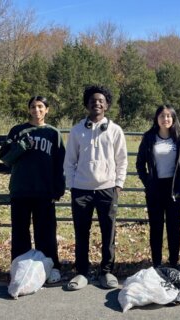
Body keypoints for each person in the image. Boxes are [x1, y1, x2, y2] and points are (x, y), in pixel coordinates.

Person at [64, 85, 128, 290]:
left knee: (108, 233)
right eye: (93, 100)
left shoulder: (115, 130)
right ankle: (82, 272)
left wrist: (118, 184)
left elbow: (122, 160)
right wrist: (72, 186)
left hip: (107, 189)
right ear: (87, 104)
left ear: (107, 105)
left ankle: (106, 272)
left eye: (101, 100)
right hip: (81, 190)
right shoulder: (77, 130)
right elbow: (69, 161)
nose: (97, 103)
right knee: (81, 232)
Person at [0, 96, 65, 284]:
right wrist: (21, 146)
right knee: (20, 232)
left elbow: (60, 164)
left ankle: (51, 267)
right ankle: (20, 269)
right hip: (21, 190)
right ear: (28, 110)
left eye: (40, 106)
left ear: (47, 110)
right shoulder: (18, 130)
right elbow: (5, 158)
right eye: (33, 107)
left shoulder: (53, 133)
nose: (37, 110)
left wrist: (58, 189)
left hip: (44, 191)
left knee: (46, 232)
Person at [136, 105, 180, 269]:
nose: (165, 119)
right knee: (156, 226)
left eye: (168, 116)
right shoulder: (149, 137)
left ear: (173, 118)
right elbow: (140, 163)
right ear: (156, 118)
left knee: (174, 227)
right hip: (155, 187)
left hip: (174, 188)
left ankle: (173, 262)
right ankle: (157, 262)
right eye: (162, 116)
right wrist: (148, 182)